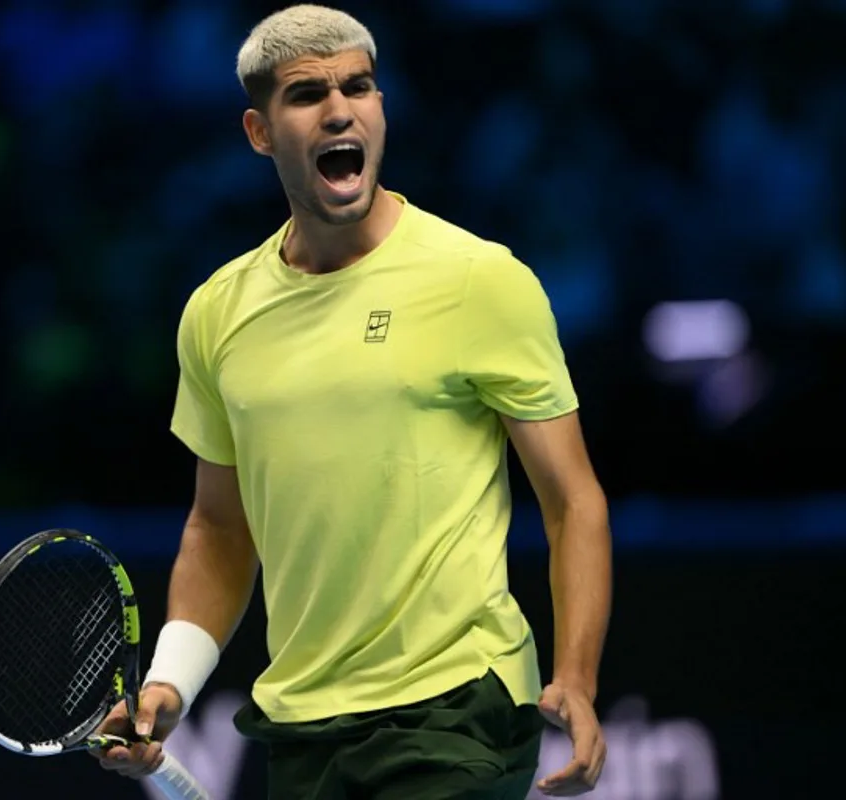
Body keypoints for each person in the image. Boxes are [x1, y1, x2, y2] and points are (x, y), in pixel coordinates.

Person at [90, 5, 612, 798]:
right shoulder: (218, 314)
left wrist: (575, 675)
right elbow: (221, 527)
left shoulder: (478, 279)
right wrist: (170, 684)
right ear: (260, 132)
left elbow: (572, 499)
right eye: (306, 95)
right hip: (303, 723)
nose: (340, 109)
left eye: (359, 87)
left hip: (457, 706)